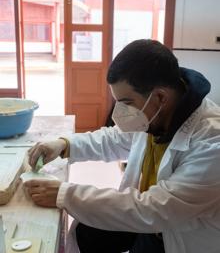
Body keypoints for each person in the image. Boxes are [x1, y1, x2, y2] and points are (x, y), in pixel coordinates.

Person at [25, 39, 220, 253]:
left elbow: (156, 210)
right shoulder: (156, 113)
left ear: (160, 97)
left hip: (178, 236)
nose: (119, 113)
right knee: (88, 232)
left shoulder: (211, 142)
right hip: (149, 221)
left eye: (126, 103)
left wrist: (65, 194)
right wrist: (64, 145)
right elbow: (114, 138)